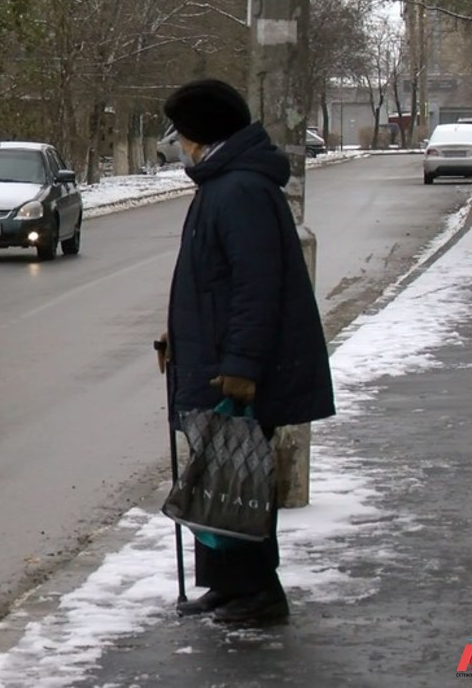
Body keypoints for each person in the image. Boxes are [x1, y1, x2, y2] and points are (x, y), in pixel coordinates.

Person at [155, 79, 335, 623]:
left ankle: (260, 592)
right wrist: (177, 338)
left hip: (230, 368)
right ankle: (227, 586)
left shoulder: (238, 191)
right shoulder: (223, 183)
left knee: (239, 480)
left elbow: (256, 289)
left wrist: (240, 366)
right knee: (216, 476)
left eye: (181, 131)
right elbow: (211, 282)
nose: (178, 142)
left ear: (201, 132)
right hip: (211, 356)